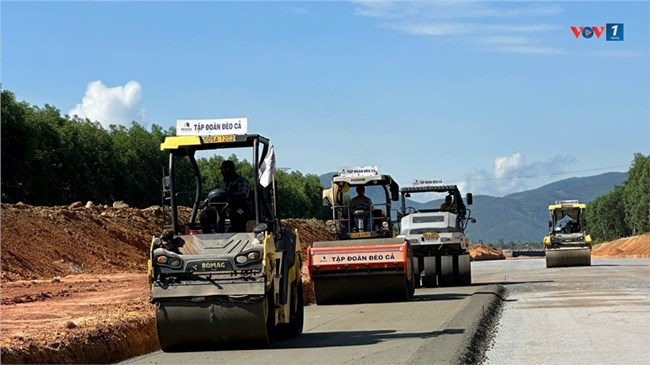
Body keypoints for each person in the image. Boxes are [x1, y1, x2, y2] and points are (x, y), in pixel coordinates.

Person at [200, 160, 251, 233]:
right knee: (204, 215)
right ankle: (207, 235)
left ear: (233, 169)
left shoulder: (241, 181)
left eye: (227, 169)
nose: (224, 171)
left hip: (238, 207)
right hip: (221, 207)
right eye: (222, 169)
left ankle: (234, 234)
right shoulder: (224, 183)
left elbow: (244, 194)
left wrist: (228, 196)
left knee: (236, 216)